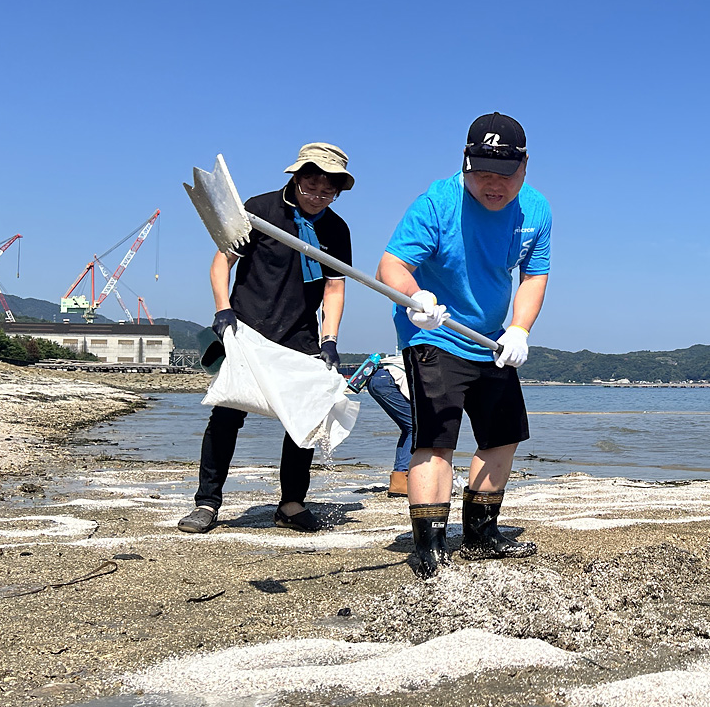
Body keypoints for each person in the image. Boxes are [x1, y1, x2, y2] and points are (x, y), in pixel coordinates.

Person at [375, 112, 551, 578]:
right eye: (482, 174)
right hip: (432, 330)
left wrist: (520, 329)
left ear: (525, 166)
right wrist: (414, 297)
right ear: (465, 162)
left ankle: (480, 534)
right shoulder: (436, 202)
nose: (493, 185)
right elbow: (391, 265)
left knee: (503, 435)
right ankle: (429, 546)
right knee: (436, 441)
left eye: (504, 175)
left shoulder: (535, 210)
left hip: (491, 340)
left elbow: (534, 275)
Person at [177, 143, 354, 535]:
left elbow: (335, 288)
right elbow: (223, 259)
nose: (317, 195)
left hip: (300, 332)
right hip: (247, 326)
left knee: (304, 416)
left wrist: (330, 338)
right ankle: (207, 502)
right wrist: (223, 309)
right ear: (296, 177)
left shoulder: (335, 229)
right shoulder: (259, 209)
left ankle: (291, 503)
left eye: (328, 190)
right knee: (226, 415)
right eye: (311, 185)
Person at [346, 352, 414, 498]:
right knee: (414, 428)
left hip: (377, 378)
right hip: (388, 380)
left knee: (409, 428)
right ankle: (402, 481)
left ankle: (400, 480)